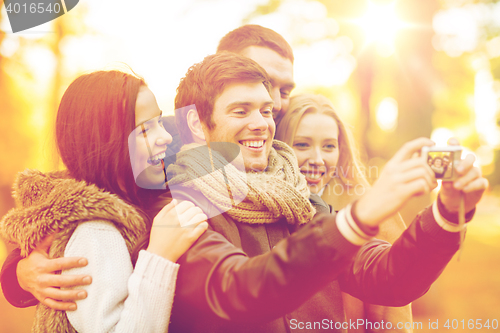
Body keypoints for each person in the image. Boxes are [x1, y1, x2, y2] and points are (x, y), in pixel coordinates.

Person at [166, 52, 487, 333]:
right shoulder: (175, 203)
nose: (261, 123)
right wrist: (358, 218)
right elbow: (239, 290)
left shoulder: (297, 197)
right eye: (241, 111)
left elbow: (389, 277)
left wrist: (445, 214)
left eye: (266, 111)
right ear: (196, 122)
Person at [0, 70, 208, 332]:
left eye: (159, 122)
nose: (166, 136)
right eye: (146, 128)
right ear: (109, 140)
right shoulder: (96, 230)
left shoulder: (150, 171)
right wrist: (159, 256)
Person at [276, 93, 412, 332]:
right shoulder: (265, 215)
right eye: (302, 144)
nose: (318, 159)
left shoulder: (372, 214)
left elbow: (392, 317)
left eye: (329, 146)